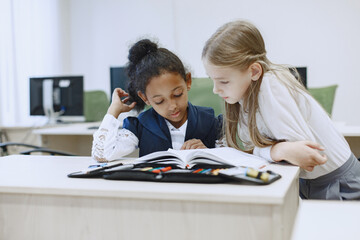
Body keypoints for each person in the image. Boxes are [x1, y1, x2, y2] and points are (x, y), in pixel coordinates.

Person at [202, 20, 360, 200]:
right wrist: (277, 151)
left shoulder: (269, 85)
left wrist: (277, 151)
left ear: (254, 71)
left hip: (340, 186)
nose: (215, 89)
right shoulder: (244, 97)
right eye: (212, 80)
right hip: (311, 184)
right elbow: (257, 149)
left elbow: (303, 156)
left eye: (223, 82)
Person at [92, 39, 222, 162]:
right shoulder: (141, 125)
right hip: (155, 185)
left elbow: (231, 160)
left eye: (177, 94)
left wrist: (209, 154)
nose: (172, 106)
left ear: (188, 81)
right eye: (160, 101)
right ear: (145, 98)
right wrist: (113, 111)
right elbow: (102, 155)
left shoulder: (210, 121)